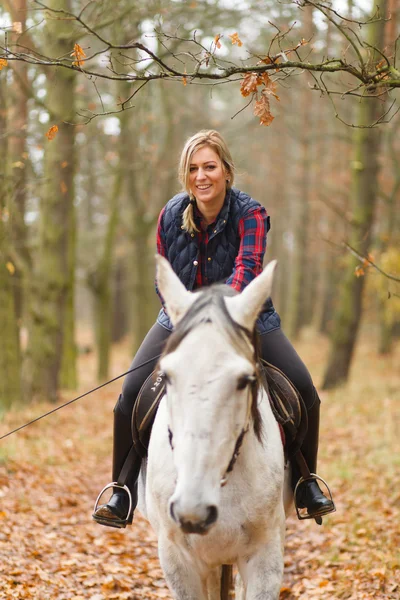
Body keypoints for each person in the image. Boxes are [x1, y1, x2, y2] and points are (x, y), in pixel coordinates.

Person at [92, 129, 335, 529]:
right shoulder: (170, 214)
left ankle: (307, 481)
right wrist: (188, 315)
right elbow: (163, 275)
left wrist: (221, 317)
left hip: (246, 318)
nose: (201, 176)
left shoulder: (250, 213)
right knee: (131, 393)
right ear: (185, 175)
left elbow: (248, 269)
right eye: (193, 168)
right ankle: (121, 489)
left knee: (304, 388)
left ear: (226, 170)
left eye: (209, 166)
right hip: (181, 319)